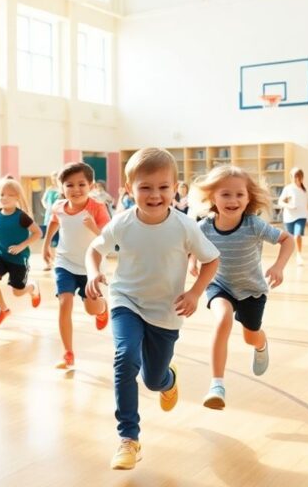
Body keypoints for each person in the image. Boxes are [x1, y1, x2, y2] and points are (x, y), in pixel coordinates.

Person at [86, 147, 220, 470]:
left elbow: (211, 260)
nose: (155, 194)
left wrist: (195, 293)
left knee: (153, 379)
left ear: (176, 189)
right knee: (124, 357)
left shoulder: (185, 226)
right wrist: (93, 272)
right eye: (145, 187)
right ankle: (128, 439)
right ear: (130, 190)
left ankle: (167, 381)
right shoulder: (122, 223)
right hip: (125, 301)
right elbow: (94, 248)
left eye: (163, 187)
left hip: (166, 312)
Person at [190, 166, 293, 409]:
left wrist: (278, 266)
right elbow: (191, 246)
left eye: (239, 194)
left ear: (249, 198)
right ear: (212, 197)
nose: (233, 200)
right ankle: (217, 385)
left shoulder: (253, 224)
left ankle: (261, 344)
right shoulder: (203, 227)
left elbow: (286, 240)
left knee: (250, 336)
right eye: (225, 194)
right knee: (222, 319)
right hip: (219, 285)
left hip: (251, 290)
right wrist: (193, 259)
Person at [42, 162, 111, 369]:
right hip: (65, 263)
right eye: (69, 185)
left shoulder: (97, 208)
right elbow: (54, 222)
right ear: (61, 188)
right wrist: (46, 245)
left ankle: (102, 309)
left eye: (81, 184)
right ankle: (68, 353)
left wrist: (94, 227)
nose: (76, 189)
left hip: (91, 266)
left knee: (92, 309)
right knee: (65, 302)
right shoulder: (59, 207)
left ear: (90, 185)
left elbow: (109, 240)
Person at [0, 179, 42, 328]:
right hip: (0, 255)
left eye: (10, 195)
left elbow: (37, 233)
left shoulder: (21, 216)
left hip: (19, 258)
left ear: (17, 198)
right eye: (2, 194)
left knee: (18, 292)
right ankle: (4, 310)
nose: (4, 198)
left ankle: (33, 287)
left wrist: (21, 246)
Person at [278, 167, 308, 265]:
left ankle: (299, 255)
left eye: (297, 176)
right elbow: (280, 202)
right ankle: (287, 256)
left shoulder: (304, 190)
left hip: (301, 216)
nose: (295, 179)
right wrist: (289, 206)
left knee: (298, 235)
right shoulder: (288, 188)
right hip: (289, 217)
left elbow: (306, 203)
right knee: (290, 238)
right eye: (293, 176)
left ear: (301, 177)